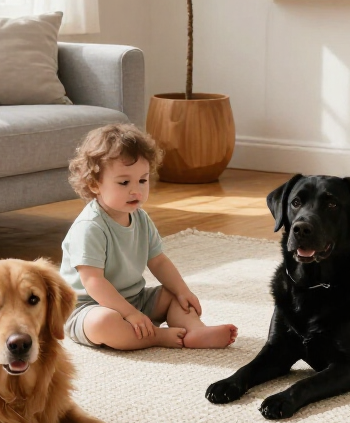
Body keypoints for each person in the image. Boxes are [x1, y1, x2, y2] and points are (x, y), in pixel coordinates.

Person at [60, 124, 238, 351]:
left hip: (135, 298)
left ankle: (195, 330)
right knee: (104, 323)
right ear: (95, 184)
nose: (136, 190)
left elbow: (159, 261)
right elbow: (94, 282)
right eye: (124, 182)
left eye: (142, 180)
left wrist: (183, 290)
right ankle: (155, 336)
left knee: (174, 295)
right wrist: (129, 314)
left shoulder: (140, 218)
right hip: (89, 307)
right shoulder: (90, 227)